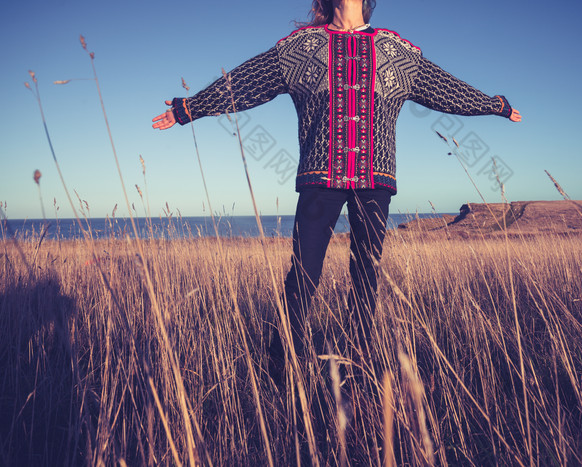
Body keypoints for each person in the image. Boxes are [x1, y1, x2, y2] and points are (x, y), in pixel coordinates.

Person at [152, 0, 522, 386]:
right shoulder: (302, 46)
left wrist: (495, 105)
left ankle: (356, 365)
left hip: (375, 180)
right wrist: (190, 108)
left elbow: (446, 89)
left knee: (366, 275)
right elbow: (245, 82)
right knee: (303, 275)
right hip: (319, 177)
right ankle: (283, 366)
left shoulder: (396, 51)